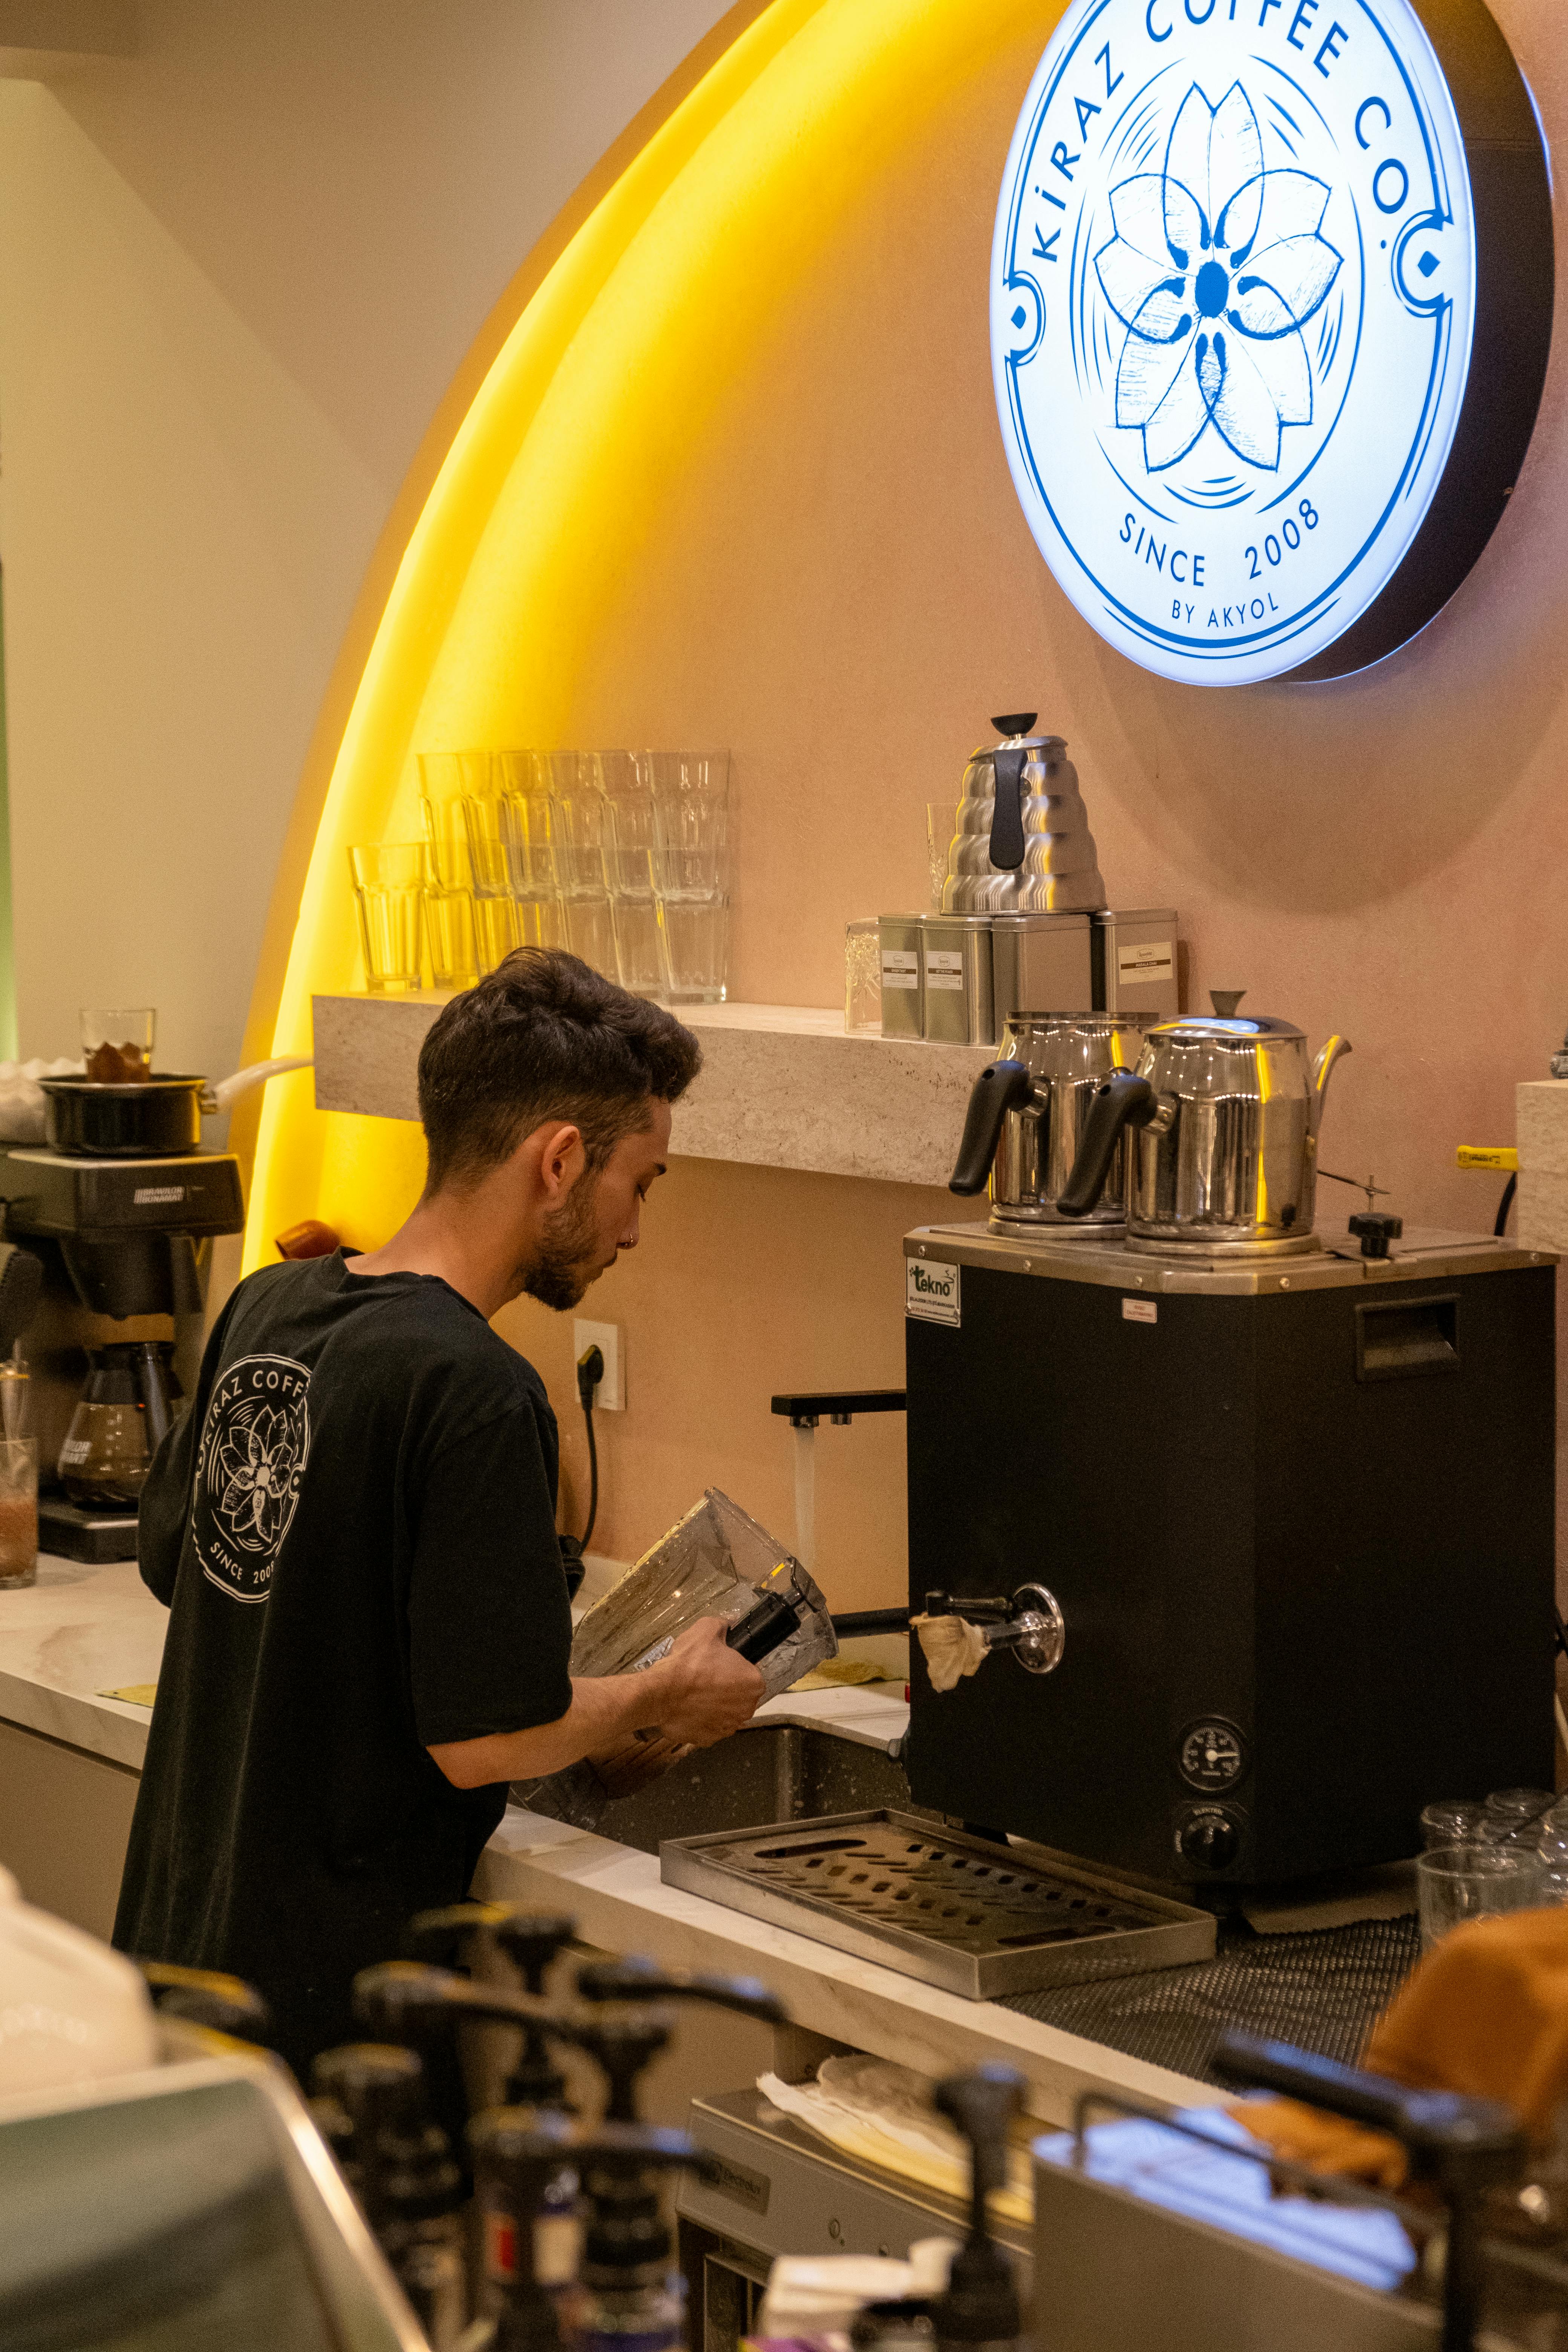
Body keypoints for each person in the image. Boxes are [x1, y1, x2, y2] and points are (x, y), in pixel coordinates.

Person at [113, 949, 765, 2072]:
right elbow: (486, 1741)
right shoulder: (476, 1391)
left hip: (176, 1961)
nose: (636, 1229)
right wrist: (672, 1693)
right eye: (641, 1182)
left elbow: (185, 1560)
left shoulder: (272, 1306)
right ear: (560, 1161)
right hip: (336, 2023)